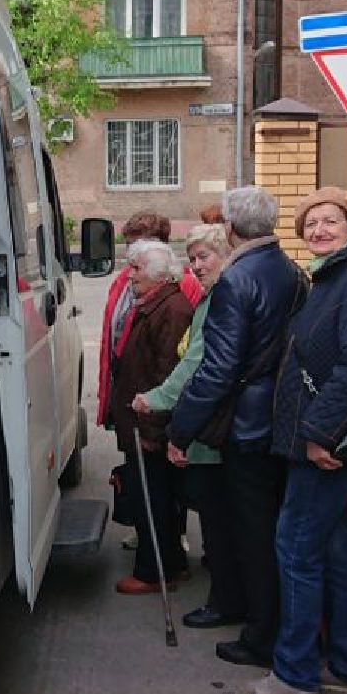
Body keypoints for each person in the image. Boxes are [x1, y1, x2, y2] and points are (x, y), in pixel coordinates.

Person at [247, 187, 347, 694]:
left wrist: (320, 432)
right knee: (336, 552)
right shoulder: (337, 276)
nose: (318, 230)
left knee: (296, 548)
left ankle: (295, 676)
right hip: (321, 439)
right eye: (310, 223)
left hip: (329, 443)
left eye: (330, 220)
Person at [165, 186, 307, 667]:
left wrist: (181, 428)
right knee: (268, 527)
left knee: (254, 531)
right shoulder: (289, 269)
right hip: (280, 412)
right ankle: (264, 622)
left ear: (228, 228)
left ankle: (262, 636)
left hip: (248, 421)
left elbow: (219, 368)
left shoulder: (237, 279)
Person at [135, 224, 240, 628]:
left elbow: (197, 363)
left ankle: (226, 602)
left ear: (226, 255)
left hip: (213, 424)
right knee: (218, 518)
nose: (196, 265)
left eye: (204, 257)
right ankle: (228, 596)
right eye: (192, 258)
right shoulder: (212, 295)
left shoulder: (219, 298)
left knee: (219, 520)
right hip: (209, 420)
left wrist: (159, 402)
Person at [106, 239, 198, 594]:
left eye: (137, 268)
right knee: (158, 498)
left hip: (149, 425)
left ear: (159, 274)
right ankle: (172, 564)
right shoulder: (156, 304)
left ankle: (154, 573)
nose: (130, 275)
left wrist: (152, 430)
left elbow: (167, 374)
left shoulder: (171, 310)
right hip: (142, 421)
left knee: (153, 501)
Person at [97, 212, 201, 426]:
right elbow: (112, 342)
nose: (132, 252)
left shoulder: (181, 287)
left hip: (150, 411)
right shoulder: (122, 281)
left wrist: (155, 422)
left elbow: (171, 364)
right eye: (129, 245)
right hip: (130, 401)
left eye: (138, 245)